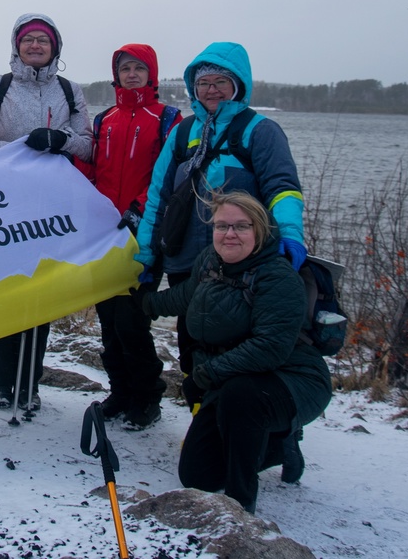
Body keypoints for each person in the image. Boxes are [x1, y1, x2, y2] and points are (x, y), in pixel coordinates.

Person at [134, 41, 307, 461]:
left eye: (220, 82)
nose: (210, 90)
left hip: (237, 264)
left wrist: (290, 235)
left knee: (240, 351)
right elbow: (159, 194)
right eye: (203, 82)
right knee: (194, 346)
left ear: (238, 85)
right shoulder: (183, 132)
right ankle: (205, 425)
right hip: (184, 259)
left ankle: (278, 439)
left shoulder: (259, 131)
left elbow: (283, 186)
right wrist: (145, 254)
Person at [142, 191, 331, 515]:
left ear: (259, 231)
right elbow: (184, 297)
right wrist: (140, 304)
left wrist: (208, 373)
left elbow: (270, 348)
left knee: (241, 397)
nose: (229, 234)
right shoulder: (209, 261)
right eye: (222, 226)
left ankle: (240, 503)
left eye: (241, 227)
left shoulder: (276, 276)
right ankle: (278, 447)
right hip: (233, 378)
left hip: (292, 380)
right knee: (197, 476)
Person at [0, 13, 92, 412]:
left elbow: (88, 144)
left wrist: (61, 139)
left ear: (55, 47)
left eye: (43, 40)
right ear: (17, 45)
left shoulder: (71, 91)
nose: (36, 46)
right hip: (2, 208)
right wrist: (19, 152)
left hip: (50, 210)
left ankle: (30, 384)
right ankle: (1, 382)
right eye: (29, 40)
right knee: (3, 292)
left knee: (39, 296)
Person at [79, 44, 181, 430]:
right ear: (116, 74)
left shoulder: (168, 119)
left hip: (143, 234)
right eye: (125, 68)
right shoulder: (105, 119)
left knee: (133, 321)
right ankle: (120, 392)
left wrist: (138, 209)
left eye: (140, 68)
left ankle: (147, 396)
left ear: (151, 73)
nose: (132, 74)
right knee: (108, 319)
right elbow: (90, 170)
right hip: (104, 234)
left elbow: (166, 175)